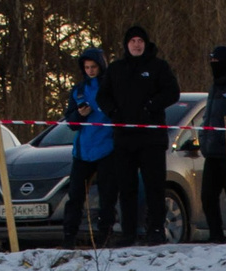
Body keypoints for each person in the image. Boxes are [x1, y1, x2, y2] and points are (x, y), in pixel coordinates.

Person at [103, 23, 179, 242]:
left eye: (140, 41)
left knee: (155, 186)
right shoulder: (116, 69)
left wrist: (152, 107)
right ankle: (128, 232)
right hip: (124, 138)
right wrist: (113, 112)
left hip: (151, 138)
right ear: (126, 45)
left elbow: (172, 92)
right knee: (126, 188)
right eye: (132, 41)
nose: (136, 45)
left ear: (146, 44)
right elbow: (103, 96)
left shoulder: (158, 67)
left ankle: (156, 230)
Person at [61, 47, 119, 247]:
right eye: (86, 67)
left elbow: (120, 113)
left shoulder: (111, 87)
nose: (90, 70)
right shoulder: (78, 90)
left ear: (101, 66)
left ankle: (105, 235)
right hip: (83, 151)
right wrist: (80, 115)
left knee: (107, 195)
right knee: (75, 195)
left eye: (93, 67)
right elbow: (71, 121)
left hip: (107, 148)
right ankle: (69, 235)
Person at [200, 44, 226, 240]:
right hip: (212, 152)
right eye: (212, 62)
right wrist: (203, 139)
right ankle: (215, 234)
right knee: (207, 197)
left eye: (217, 62)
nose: (213, 65)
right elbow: (207, 117)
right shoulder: (213, 88)